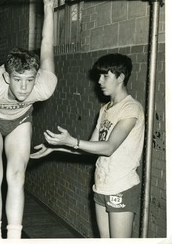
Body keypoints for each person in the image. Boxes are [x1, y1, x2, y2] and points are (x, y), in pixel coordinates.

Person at [0, 0, 57, 239]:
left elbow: (46, 47)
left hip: (20, 120)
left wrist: (49, 8)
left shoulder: (44, 86)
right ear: (7, 77)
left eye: (29, 80)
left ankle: (14, 237)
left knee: (17, 175)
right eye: (18, 79)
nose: (24, 87)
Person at [30, 53, 145, 238]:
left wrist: (71, 141)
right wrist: (57, 148)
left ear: (121, 77)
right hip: (101, 185)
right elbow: (91, 147)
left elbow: (108, 147)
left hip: (121, 186)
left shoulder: (131, 108)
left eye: (105, 76)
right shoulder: (105, 109)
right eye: (99, 76)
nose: (100, 81)